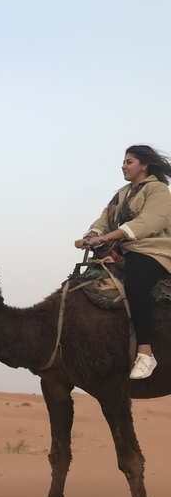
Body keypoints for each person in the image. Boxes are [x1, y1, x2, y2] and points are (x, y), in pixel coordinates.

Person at [75, 145, 171, 379]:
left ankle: (146, 353)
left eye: (129, 162)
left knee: (136, 286)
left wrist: (108, 237)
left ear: (144, 165)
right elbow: (105, 219)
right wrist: (90, 236)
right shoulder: (122, 193)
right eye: (124, 161)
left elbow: (149, 222)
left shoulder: (158, 190)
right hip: (123, 251)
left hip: (153, 250)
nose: (123, 166)